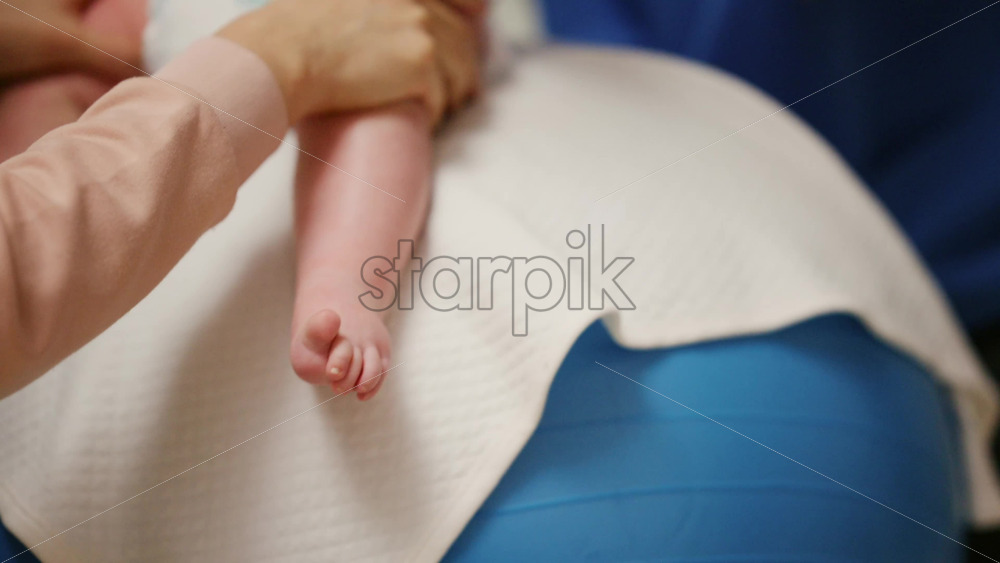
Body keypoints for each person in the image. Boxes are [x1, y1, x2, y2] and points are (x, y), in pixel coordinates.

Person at [0, 0, 482, 397]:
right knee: (42, 89)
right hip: (143, 25)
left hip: (359, 28)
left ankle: (343, 286)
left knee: (379, 95)